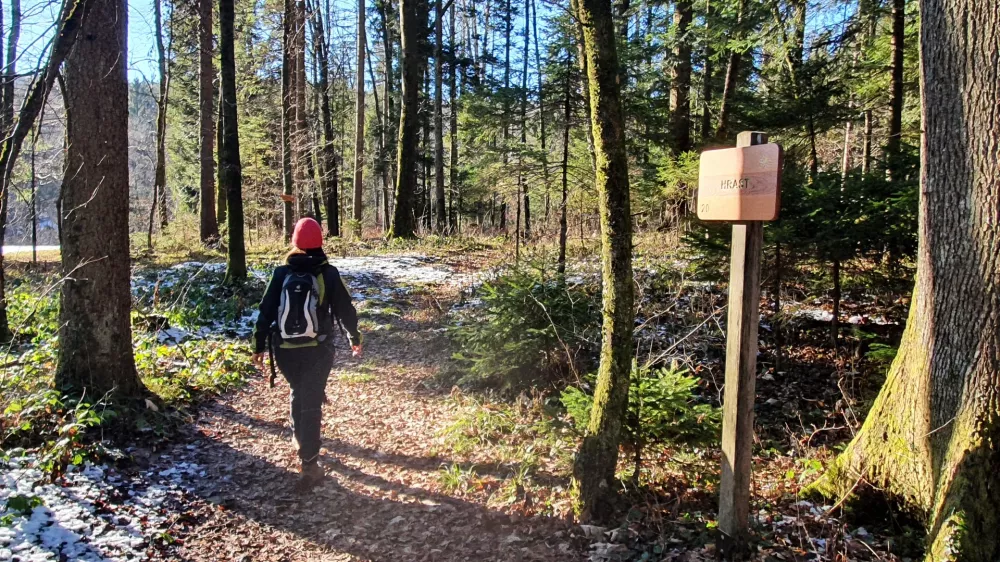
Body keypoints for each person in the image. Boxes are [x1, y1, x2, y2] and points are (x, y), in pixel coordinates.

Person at [251, 217, 363, 490]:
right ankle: (310, 465)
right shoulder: (328, 273)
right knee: (311, 400)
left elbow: (266, 310)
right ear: (321, 242)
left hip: (284, 349)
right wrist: (354, 336)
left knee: (297, 391)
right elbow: (345, 308)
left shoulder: (281, 273)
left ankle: (300, 440)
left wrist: (258, 344)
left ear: (294, 242)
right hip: (318, 348)